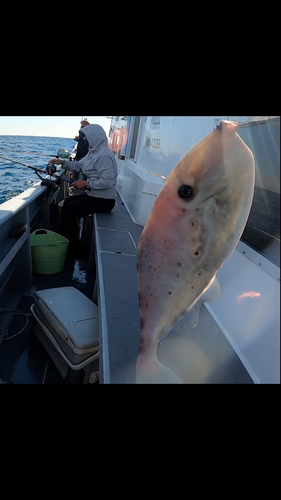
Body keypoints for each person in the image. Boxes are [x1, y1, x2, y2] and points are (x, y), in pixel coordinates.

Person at [49, 124, 117, 246]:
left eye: (86, 137)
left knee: (68, 210)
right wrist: (63, 162)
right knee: (67, 202)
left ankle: (70, 246)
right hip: (94, 195)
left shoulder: (104, 156)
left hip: (104, 201)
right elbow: (79, 165)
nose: (84, 139)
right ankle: (70, 240)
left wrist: (86, 183)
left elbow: (108, 181)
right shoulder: (93, 153)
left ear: (95, 137)